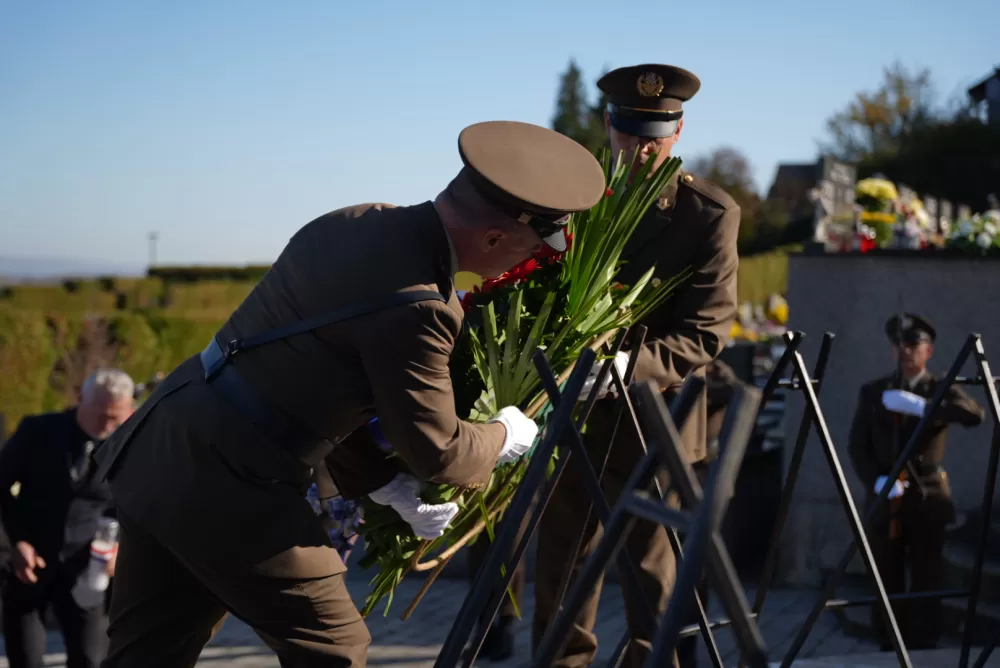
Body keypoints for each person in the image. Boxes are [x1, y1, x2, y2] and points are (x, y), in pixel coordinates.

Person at [91, 120, 607, 668]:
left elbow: (306, 383)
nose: (536, 260)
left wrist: (384, 487)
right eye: (535, 246)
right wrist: (505, 434)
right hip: (231, 480)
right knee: (335, 648)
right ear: (495, 238)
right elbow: (438, 449)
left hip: (164, 441)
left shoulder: (355, 221)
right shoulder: (422, 306)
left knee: (146, 653)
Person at [530, 63, 741, 668]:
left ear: (678, 132)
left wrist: (625, 365)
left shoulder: (708, 214)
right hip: (574, 415)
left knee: (653, 580)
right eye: (629, 134)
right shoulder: (572, 200)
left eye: (654, 136)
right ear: (608, 125)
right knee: (561, 571)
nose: (640, 150)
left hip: (655, 419)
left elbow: (704, 335)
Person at [847, 312, 984, 651]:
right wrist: (875, 481)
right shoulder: (875, 391)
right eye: (898, 345)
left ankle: (924, 646)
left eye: (913, 345)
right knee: (885, 576)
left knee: (926, 576)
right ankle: (888, 644)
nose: (905, 351)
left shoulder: (938, 387)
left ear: (928, 351)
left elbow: (973, 415)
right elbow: (856, 446)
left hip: (927, 497)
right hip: (886, 496)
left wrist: (925, 407)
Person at [0, 369, 135, 668]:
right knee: (26, 659)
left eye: (115, 417)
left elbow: (142, 508)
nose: (106, 425)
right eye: (100, 414)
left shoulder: (132, 447)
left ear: (130, 410)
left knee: (91, 658)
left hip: (88, 571)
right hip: (30, 564)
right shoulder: (37, 431)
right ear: (79, 400)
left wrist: (122, 550)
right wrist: (17, 541)